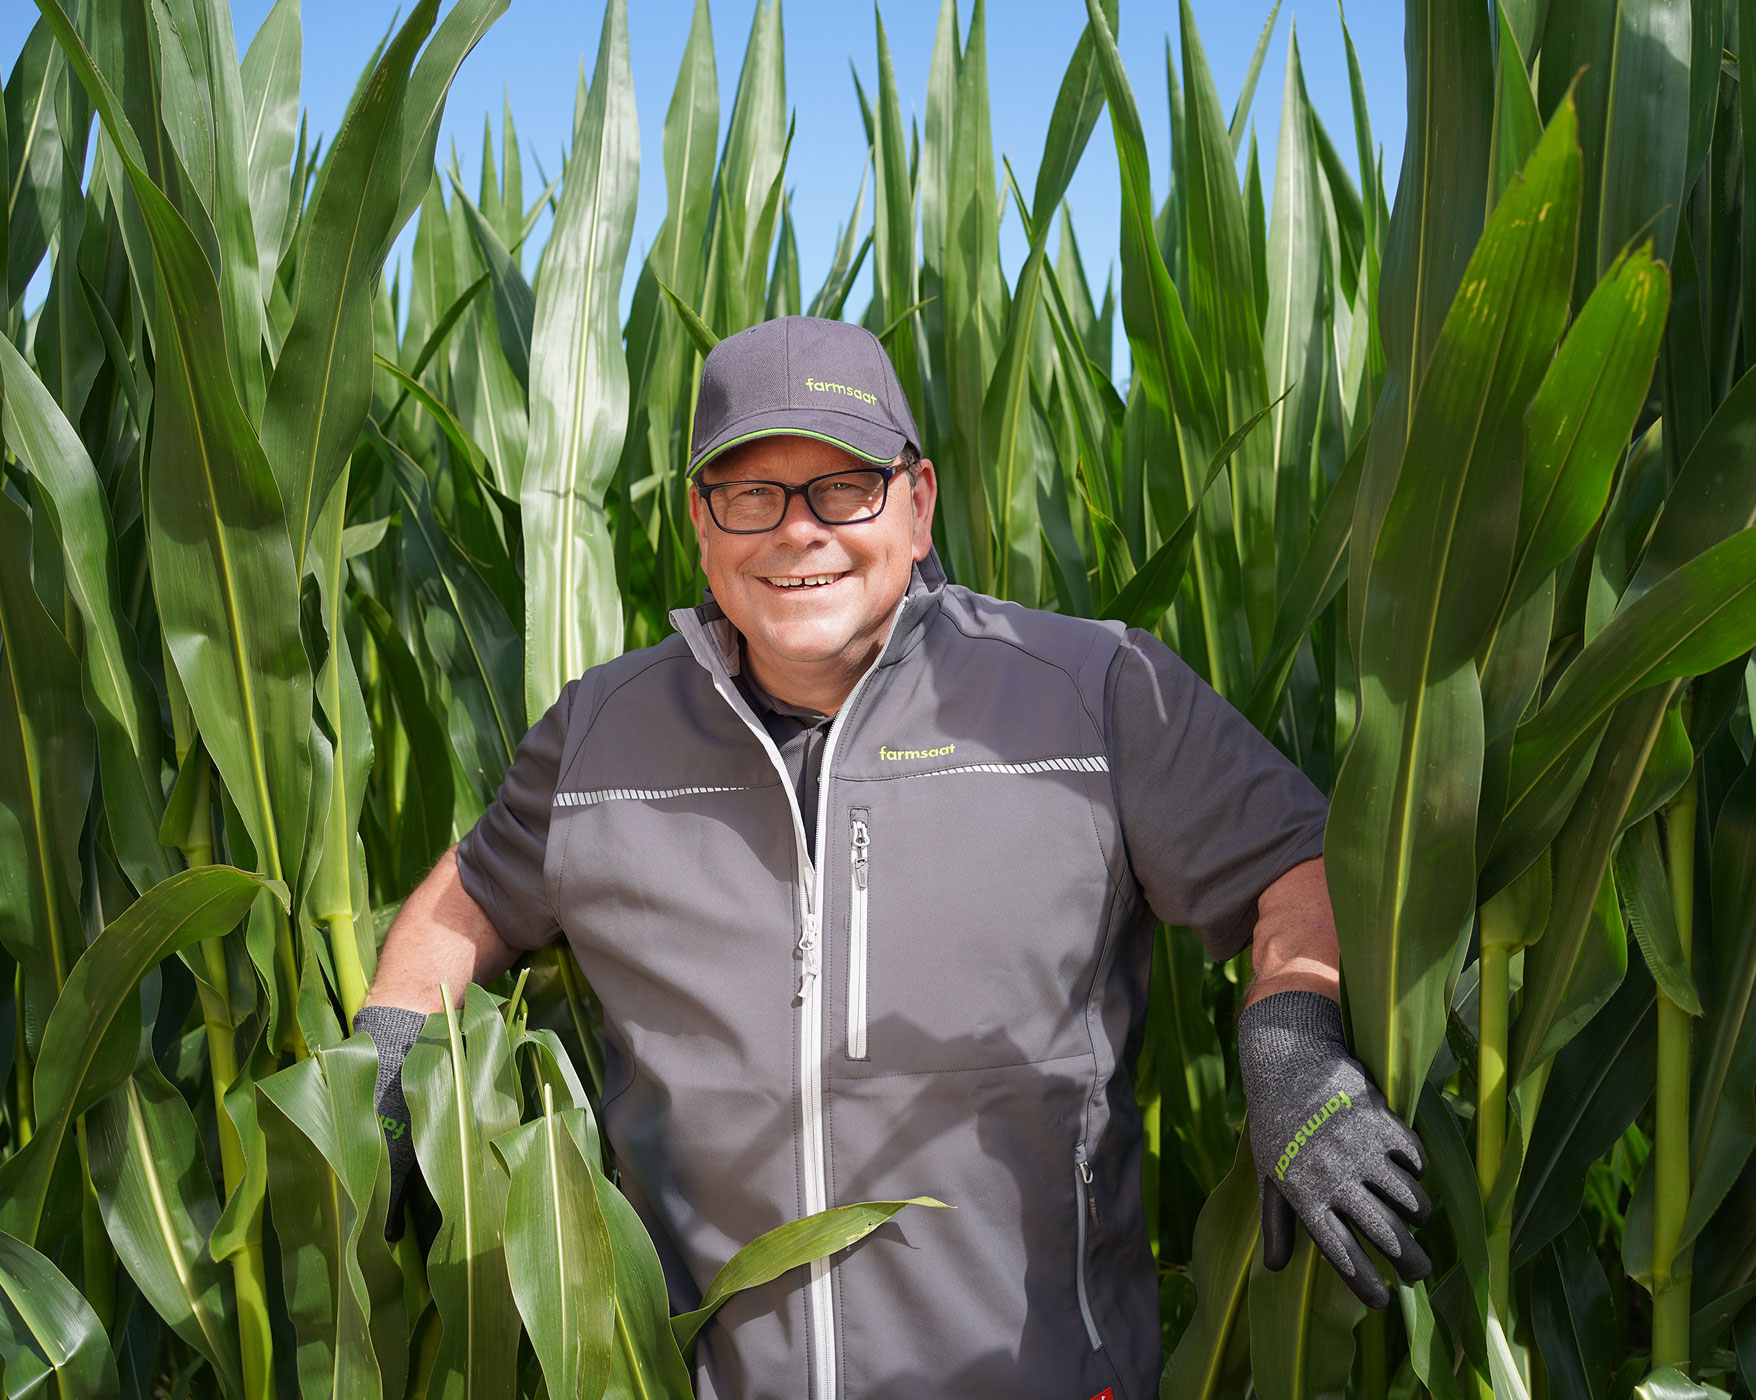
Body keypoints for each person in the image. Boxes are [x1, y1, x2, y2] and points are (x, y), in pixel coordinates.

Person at [350, 316, 1432, 1400]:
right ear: (700, 522)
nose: (798, 532)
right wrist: (391, 1057)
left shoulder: (1093, 696)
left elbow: (1296, 860)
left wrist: (1294, 1038)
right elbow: (473, 892)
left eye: (843, 489)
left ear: (917, 504)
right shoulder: (601, 735)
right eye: (753, 494)